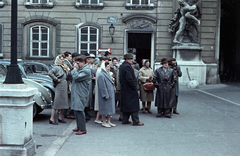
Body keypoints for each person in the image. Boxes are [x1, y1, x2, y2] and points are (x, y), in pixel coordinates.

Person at [119, 53, 144, 126]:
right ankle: (136, 121)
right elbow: (129, 78)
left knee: (126, 104)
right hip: (130, 89)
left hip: (124, 88)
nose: (132, 60)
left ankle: (125, 119)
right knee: (133, 105)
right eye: (131, 59)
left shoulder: (122, 66)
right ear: (128, 59)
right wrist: (134, 87)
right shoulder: (128, 67)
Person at [71, 55, 92, 135]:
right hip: (77, 91)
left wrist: (74, 69)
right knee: (76, 110)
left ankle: (83, 129)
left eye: (78, 63)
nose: (76, 65)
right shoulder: (81, 68)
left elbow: (76, 77)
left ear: (83, 62)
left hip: (81, 93)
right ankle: (79, 126)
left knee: (79, 110)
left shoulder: (86, 70)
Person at [48, 54, 70, 125]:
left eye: (63, 59)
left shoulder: (64, 67)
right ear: (58, 60)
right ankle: (52, 118)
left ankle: (60, 117)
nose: (63, 60)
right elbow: (50, 73)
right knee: (57, 102)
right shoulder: (57, 67)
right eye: (61, 59)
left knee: (63, 102)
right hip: (60, 86)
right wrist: (56, 79)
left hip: (64, 85)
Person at [98, 62, 116, 128]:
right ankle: (104, 122)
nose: (108, 68)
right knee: (104, 109)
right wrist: (105, 95)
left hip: (109, 94)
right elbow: (102, 87)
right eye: (107, 67)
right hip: (105, 94)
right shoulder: (101, 75)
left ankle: (108, 121)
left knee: (109, 109)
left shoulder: (106, 74)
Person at [94, 57, 108, 124]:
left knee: (100, 104)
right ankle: (97, 118)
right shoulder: (100, 70)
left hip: (99, 88)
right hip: (100, 88)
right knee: (100, 104)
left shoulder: (99, 69)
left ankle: (98, 118)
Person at [63, 51, 75, 119]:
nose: (71, 57)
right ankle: (67, 113)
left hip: (69, 82)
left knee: (69, 99)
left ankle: (67, 113)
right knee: (68, 99)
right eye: (70, 56)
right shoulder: (66, 63)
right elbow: (67, 74)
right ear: (66, 57)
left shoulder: (68, 63)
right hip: (68, 82)